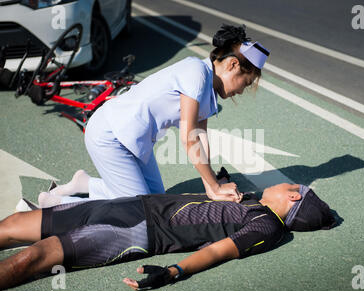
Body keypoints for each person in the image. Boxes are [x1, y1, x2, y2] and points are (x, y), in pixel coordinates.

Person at [37, 24, 270, 208]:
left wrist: (211, 186)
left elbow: (200, 138)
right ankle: (56, 204)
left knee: (156, 199)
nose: (240, 91)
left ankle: (85, 183)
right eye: (245, 83)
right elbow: (189, 138)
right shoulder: (196, 73)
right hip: (110, 135)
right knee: (137, 210)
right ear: (231, 65)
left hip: (134, 142)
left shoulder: (208, 90)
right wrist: (215, 186)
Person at [0, 179, 336, 291]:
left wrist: (174, 272)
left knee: (32, 257)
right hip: (128, 205)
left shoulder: (268, 226)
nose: (281, 183)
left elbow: (220, 251)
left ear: (293, 196)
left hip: (133, 232)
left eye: (289, 185)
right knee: (12, 225)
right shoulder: (249, 199)